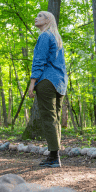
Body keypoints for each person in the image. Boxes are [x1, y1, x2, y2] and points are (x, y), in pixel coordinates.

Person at [28, 11, 68, 168]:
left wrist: (32, 83)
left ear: (47, 20)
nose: (36, 17)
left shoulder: (44, 36)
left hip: (46, 81)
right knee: (55, 118)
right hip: (60, 82)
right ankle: (54, 155)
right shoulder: (56, 38)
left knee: (49, 118)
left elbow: (39, 61)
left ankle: (54, 157)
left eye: (39, 16)